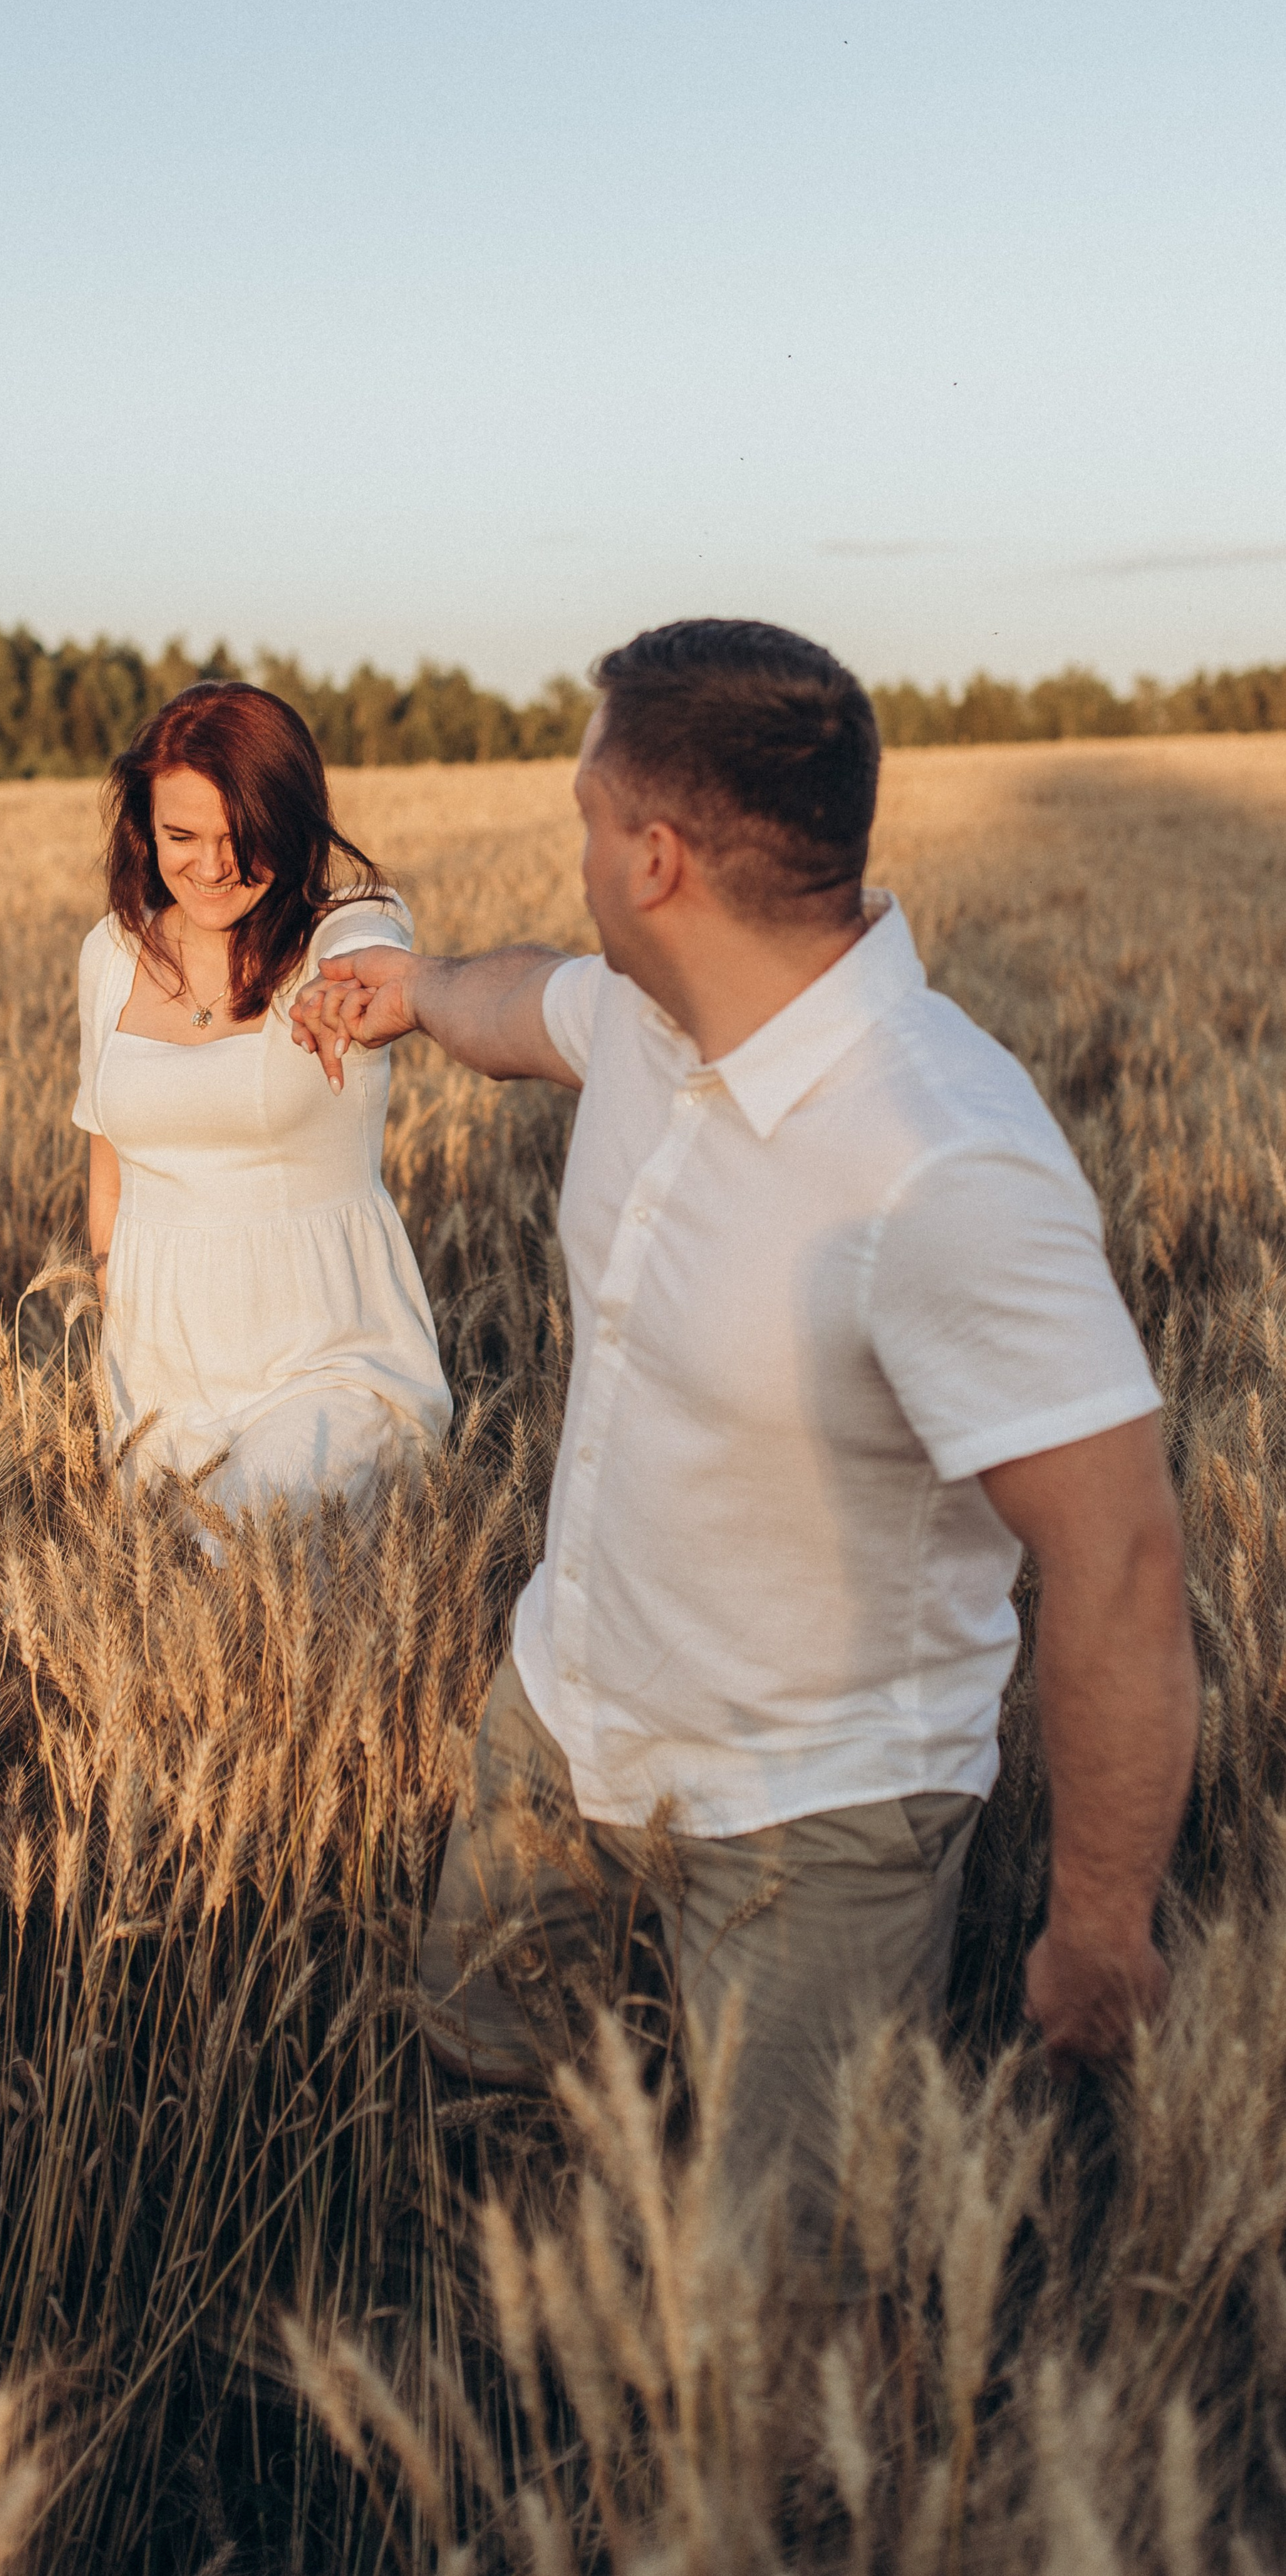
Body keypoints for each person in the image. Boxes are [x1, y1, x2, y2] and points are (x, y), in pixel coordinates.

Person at [291, 617, 1199, 2238]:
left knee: (776, 2288)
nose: (567, 846)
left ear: (651, 859)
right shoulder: (657, 1015)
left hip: (814, 1813)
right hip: (564, 1707)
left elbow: (1118, 1558)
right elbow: (527, 1005)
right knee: (482, 2114)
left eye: (581, 813)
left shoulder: (937, 1160)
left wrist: (1100, 1921)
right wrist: (414, 992)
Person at [74, 680, 451, 1532]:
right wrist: (114, 1317)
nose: (212, 867)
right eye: (182, 836)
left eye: (240, 836)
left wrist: (357, 984)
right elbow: (108, 1167)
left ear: (289, 820)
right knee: (172, 1616)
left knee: (245, 1538)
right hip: (160, 1370)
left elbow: (372, 953)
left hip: (328, 1357)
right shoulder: (110, 954)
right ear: (146, 828)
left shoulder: (346, 928)